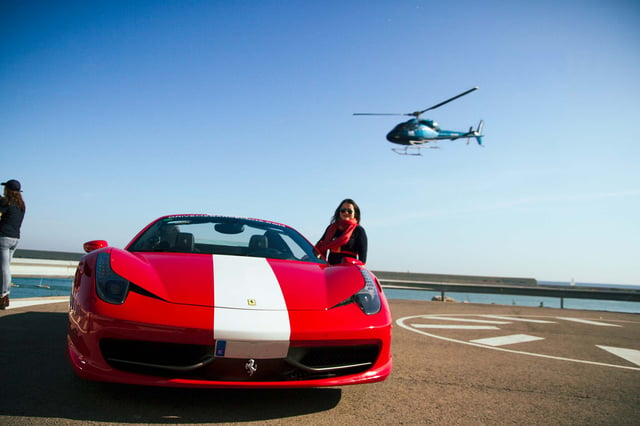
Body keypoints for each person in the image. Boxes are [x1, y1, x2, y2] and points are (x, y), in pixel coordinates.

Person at [316, 198, 367, 265]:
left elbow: (362, 257)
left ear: (355, 213)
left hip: (349, 269)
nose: (346, 212)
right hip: (330, 268)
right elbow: (319, 246)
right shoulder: (331, 228)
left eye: (349, 211)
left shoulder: (359, 230)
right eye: (343, 210)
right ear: (339, 212)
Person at [0, 179, 26, 309]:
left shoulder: (6, 202)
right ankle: (3, 295)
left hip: (3, 238)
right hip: (15, 238)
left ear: (8, 190)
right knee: (5, 268)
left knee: (3, 269)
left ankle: (4, 295)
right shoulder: (21, 205)